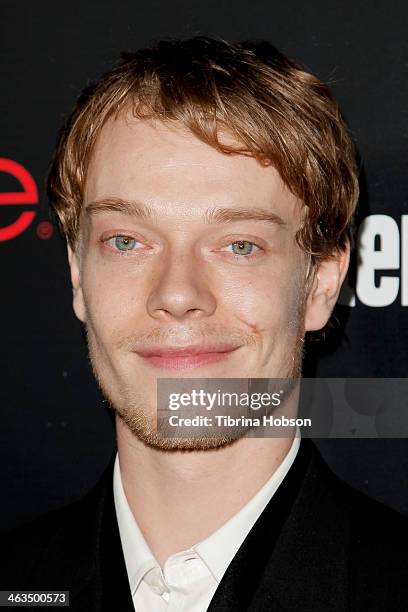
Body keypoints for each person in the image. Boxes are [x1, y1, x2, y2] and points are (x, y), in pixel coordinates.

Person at [1, 36, 407, 611]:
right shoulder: (17, 579)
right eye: (126, 241)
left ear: (320, 283)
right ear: (77, 274)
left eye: (239, 245)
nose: (176, 293)